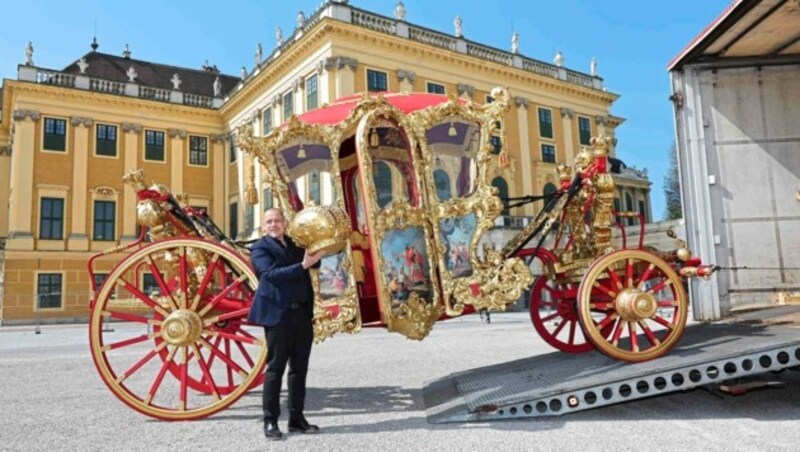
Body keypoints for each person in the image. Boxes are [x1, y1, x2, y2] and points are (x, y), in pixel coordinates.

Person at [248, 208, 325, 441]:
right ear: (264, 226)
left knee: (299, 369)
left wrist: (317, 253)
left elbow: (313, 265)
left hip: (301, 313)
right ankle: (270, 421)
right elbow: (269, 274)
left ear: (285, 223)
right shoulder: (260, 248)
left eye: (277, 221)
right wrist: (303, 264)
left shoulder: (294, 243)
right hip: (278, 315)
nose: (273, 224)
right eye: (269, 221)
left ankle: (297, 419)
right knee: (275, 369)